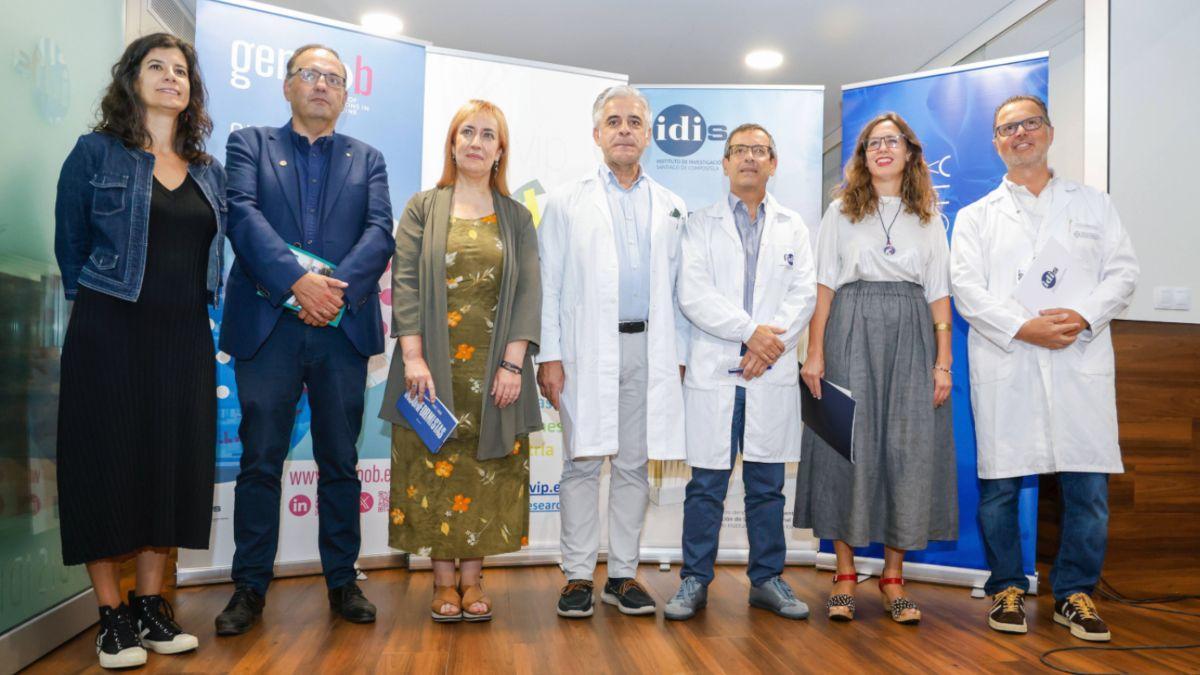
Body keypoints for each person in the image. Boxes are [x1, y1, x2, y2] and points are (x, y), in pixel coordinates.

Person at [54, 33, 225, 668]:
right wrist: (99, 311)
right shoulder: (95, 153)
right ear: (132, 80)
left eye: (181, 70)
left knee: (168, 465)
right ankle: (111, 617)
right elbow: (70, 244)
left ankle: (152, 607)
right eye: (157, 66)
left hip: (184, 335)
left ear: (191, 91)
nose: (171, 77)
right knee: (104, 463)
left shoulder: (208, 171)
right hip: (110, 332)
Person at [214, 44, 395, 635]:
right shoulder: (249, 145)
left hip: (341, 331)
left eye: (334, 79)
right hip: (268, 326)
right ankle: (249, 587)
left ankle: (343, 580)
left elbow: (380, 232)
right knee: (260, 462)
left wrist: (330, 294)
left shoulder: (368, 159)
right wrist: (297, 284)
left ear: (345, 95)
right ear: (288, 86)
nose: (322, 85)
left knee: (340, 461)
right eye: (310, 75)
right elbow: (241, 216)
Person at [950, 95, 1138, 642]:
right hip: (1009, 360)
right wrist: (1021, 327)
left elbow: (1123, 273)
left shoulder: (1094, 205)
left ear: (1049, 132)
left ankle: (1075, 593)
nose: (1020, 134)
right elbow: (966, 289)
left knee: (1087, 489)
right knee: (1001, 490)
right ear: (995, 143)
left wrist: (1083, 315)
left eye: (1029, 123)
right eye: (1007, 128)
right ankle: (1007, 586)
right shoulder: (976, 216)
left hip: (1078, 359)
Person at [379, 100, 541, 623]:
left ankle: (473, 581)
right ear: (452, 144)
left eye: (487, 134)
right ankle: (442, 582)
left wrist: (513, 365)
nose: (476, 142)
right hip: (430, 367)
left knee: (486, 472)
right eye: (466, 132)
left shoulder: (517, 217)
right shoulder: (423, 208)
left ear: (500, 150)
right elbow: (405, 282)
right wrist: (413, 357)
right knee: (433, 467)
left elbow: (529, 293)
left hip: (496, 371)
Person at [795, 112, 958, 624]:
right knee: (847, 446)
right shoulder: (841, 211)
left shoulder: (929, 216)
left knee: (905, 450)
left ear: (910, 152)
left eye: (892, 141)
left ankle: (893, 578)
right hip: (850, 326)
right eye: (872, 144)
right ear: (863, 157)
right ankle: (844, 574)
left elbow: (939, 292)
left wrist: (943, 362)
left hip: (911, 332)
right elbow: (823, 285)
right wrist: (815, 352)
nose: (882, 149)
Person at [537, 85, 689, 618]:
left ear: (648, 134)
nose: (625, 130)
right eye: (614, 121)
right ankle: (578, 575)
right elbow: (549, 283)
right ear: (597, 133)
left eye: (634, 122)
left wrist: (678, 357)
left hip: (650, 349)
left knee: (633, 465)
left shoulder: (672, 205)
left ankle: (622, 574)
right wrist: (549, 355)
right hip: (584, 350)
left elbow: (681, 290)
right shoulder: (565, 201)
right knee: (581, 462)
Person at [665, 124, 816, 621]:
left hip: (768, 373)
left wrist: (767, 348)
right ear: (725, 163)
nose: (750, 157)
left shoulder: (794, 226)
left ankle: (767, 579)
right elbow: (694, 294)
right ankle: (694, 580)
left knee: (767, 486)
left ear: (773, 163)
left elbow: (804, 294)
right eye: (740, 150)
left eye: (760, 150)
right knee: (706, 485)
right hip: (716, 369)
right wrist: (753, 333)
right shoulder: (698, 224)